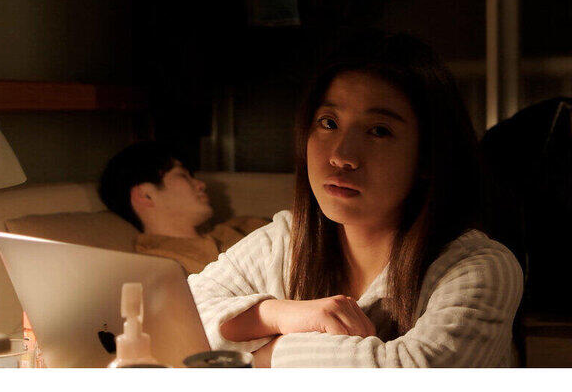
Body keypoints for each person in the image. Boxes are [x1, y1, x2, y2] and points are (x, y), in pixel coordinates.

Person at [187, 32, 523, 367]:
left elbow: (411, 370)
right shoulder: (285, 241)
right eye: (328, 123)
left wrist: (264, 357)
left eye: (379, 131)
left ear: (428, 156)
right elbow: (183, 313)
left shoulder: (481, 267)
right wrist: (279, 314)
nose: (341, 155)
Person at [98, 141, 269, 275]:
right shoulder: (158, 264)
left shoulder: (242, 226)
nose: (201, 184)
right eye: (183, 175)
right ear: (145, 195)